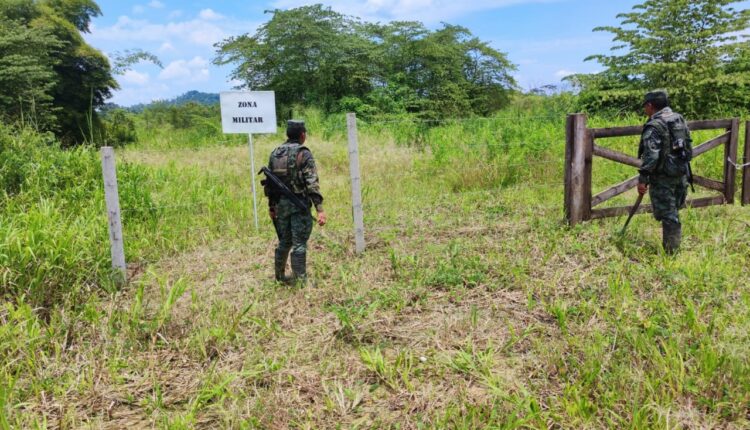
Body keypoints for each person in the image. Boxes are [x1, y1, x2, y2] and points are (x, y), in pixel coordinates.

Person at [264, 120, 326, 285]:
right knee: (299, 243)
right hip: (299, 206)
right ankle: (300, 280)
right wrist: (320, 209)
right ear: (302, 135)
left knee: (285, 241)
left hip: (280, 206)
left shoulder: (275, 153)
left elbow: (270, 184)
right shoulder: (303, 153)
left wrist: (271, 206)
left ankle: (279, 277)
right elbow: (312, 183)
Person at [636, 90, 692, 254]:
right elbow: (688, 147)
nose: (645, 110)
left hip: (663, 178)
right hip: (681, 173)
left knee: (669, 216)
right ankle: (673, 249)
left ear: (650, 105)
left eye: (645, 106)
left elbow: (651, 156)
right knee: (674, 211)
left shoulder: (654, 125)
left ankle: (671, 254)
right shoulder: (678, 119)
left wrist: (643, 178)